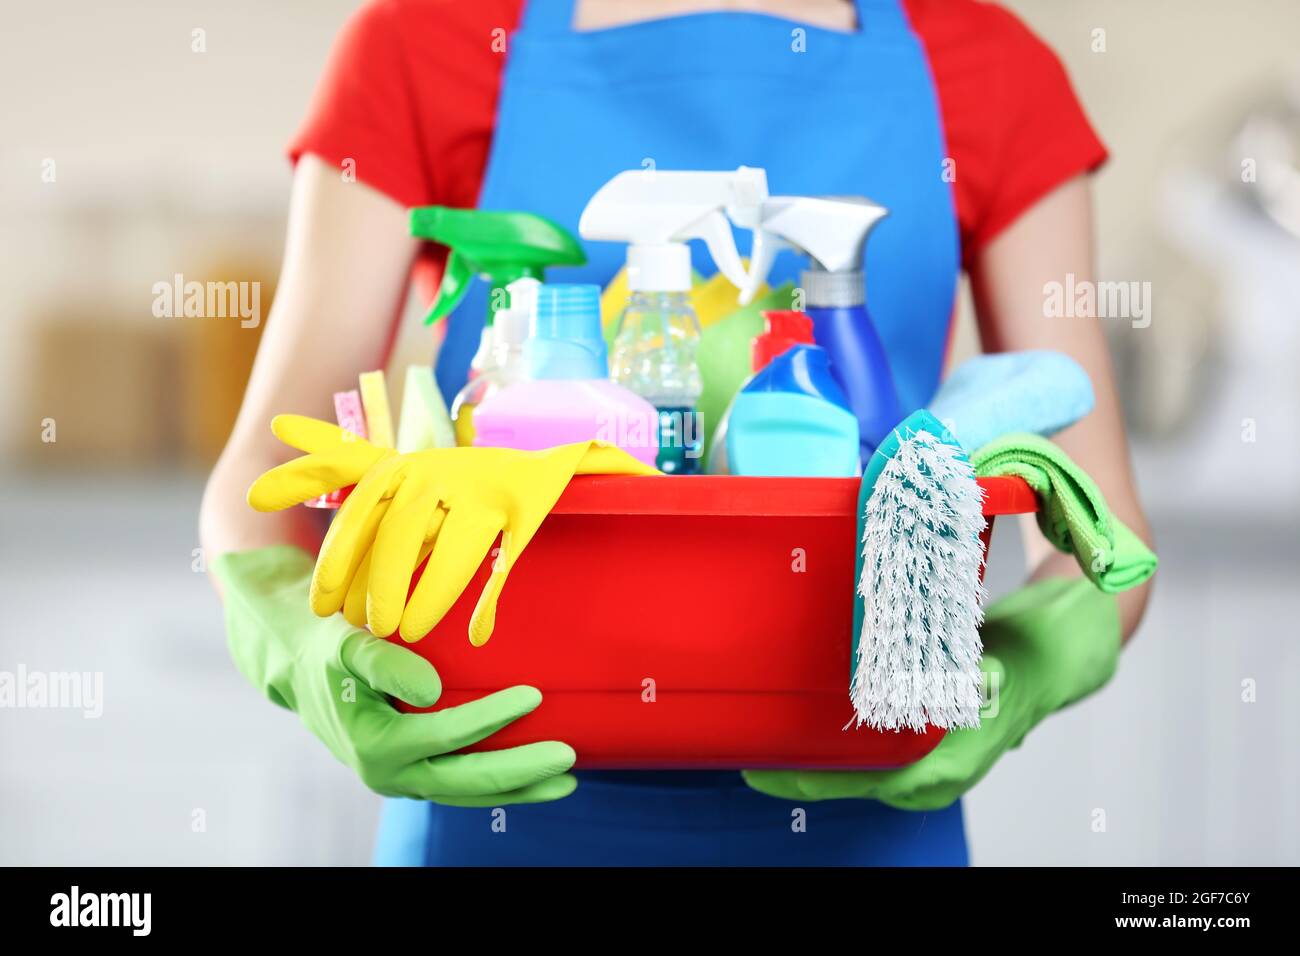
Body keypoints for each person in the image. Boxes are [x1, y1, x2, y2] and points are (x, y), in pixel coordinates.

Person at [201, 0, 1153, 866]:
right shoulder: (425, 41)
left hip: (867, 812)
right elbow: (272, 472)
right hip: (491, 793)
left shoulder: (986, 66)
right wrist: (304, 646)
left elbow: (1098, 525)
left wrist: (1020, 668)